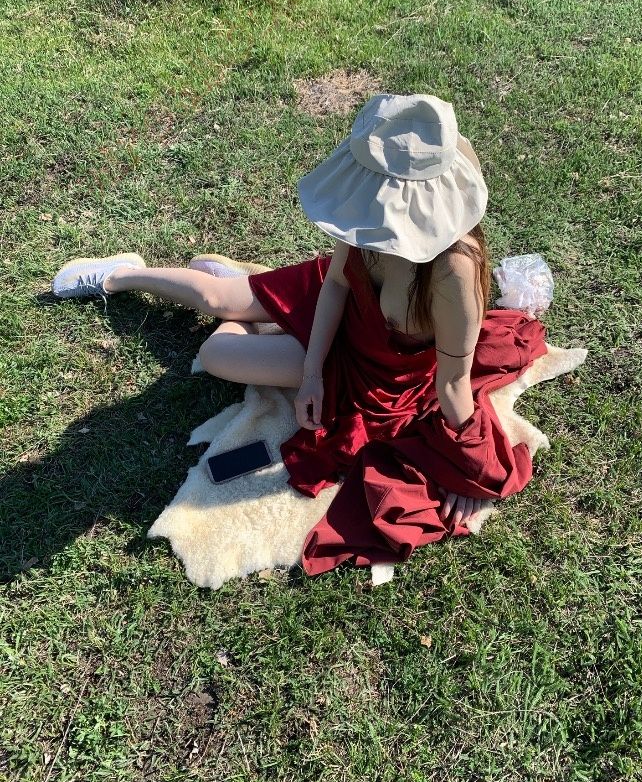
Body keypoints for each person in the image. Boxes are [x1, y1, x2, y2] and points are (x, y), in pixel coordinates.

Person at [52, 93, 511, 535]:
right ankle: (121, 275)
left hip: (369, 372)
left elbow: (452, 384)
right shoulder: (368, 207)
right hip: (333, 303)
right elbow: (336, 282)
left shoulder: (452, 271)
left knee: (215, 355)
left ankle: (250, 306)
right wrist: (309, 373)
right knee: (215, 297)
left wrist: (470, 471)